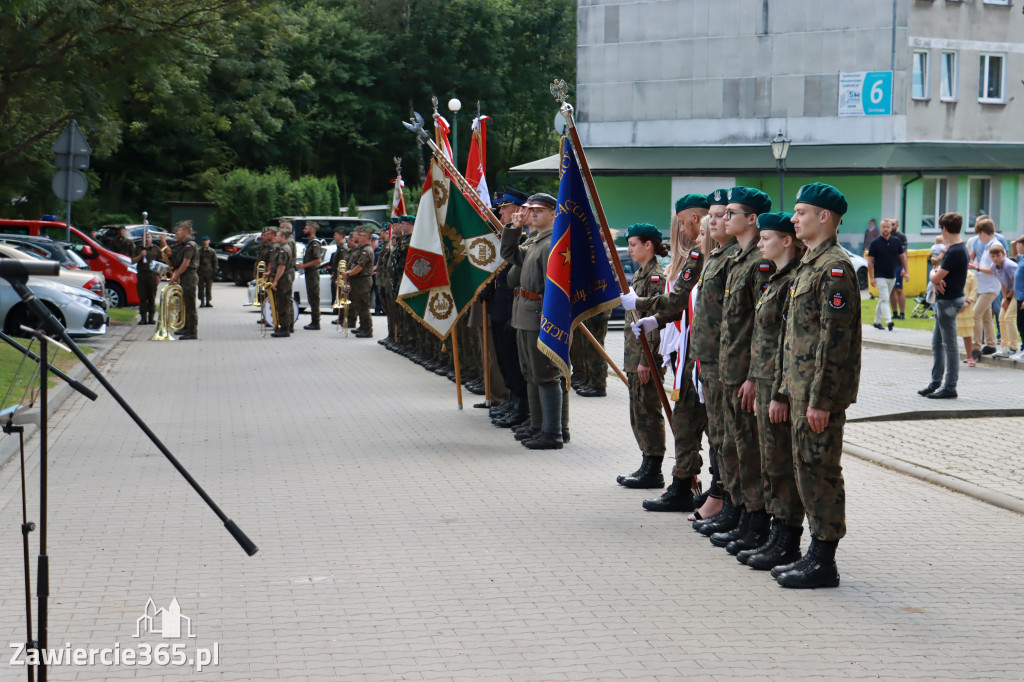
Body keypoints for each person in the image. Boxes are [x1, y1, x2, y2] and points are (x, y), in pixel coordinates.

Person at [770, 183, 860, 589]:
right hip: (800, 390)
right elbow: (794, 338)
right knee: (804, 470)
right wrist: (785, 390)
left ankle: (824, 561)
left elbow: (834, 341)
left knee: (820, 471)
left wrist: (820, 400)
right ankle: (813, 554)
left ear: (825, 216)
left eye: (802, 212)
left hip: (818, 395)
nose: (793, 218)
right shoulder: (810, 264)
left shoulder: (834, 268)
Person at [622, 193, 710, 511]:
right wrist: (652, 319)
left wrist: (644, 309)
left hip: (710, 359)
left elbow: (677, 302)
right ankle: (682, 486)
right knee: (685, 424)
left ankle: (723, 498)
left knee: (716, 433)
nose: (684, 232)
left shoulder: (710, 259)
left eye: (685, 224)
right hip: (691, 356)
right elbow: (679, 306)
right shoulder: (698, 258)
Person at [707, 186, 775, 555]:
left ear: (752, 218)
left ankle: (754, 520)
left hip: (747, 374)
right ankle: (738, 511)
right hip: (728, 369)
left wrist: (750, 375)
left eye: (730, 212)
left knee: (749, 451)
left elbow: (761, 327)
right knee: (732, 446)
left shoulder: (757, 263)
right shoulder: (736, 258)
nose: (722, 217)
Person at [740, 211, 805, 571]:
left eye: (766, 238)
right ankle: (775, 536)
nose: (760, 243)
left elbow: (788, 344)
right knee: (770, 463)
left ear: (786, 241)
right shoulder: (775, 280)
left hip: (778, 386)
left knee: (780, 464)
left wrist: (780, 392)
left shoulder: (791, 280)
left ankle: (787, 540)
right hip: (764, 382)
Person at [499, 192, 566, 450]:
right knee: (531, 372)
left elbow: (555, 288)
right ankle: (538, 426)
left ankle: (552, 433)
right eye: (530, 209)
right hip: (525, 314)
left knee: (546, 374)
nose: (533, 214)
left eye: (539, 210)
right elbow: (510, 254)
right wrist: (513, 229)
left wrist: (549, 317)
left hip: (539, 315)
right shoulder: (537, 241)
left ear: (553, 213)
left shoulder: (552, 244)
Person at [615, 223, 668, 488]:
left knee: (648, 410)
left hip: (645, 357)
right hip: (635, 356)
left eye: (634, 244)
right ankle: (646, 461)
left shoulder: (655, 276)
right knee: (638, 411)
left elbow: (656, 319)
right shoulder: (640, 274)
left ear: (649, 245)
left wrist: (647, 360)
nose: (631, 249)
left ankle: (653, 467)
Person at [920, 213, 969, 400]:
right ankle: (935, 383)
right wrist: (938, 276)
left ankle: (950, 386)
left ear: (944, 229)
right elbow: (942, 274)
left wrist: (934, 275)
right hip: (948, 299)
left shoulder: (955, 251)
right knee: (937, 343)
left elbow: (936, 276)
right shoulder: (956, 248)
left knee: (949, 346)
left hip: (948, 302)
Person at [968, 217, 1001, 357]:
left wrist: (977, 267)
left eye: (979, 234)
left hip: (990, 287)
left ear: (982, 233)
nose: (978, 238)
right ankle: (991, 344)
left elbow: (996, 268)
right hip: (983, 286)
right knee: (986, 317)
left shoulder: (995, 245)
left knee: (975, 315)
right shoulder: (988, 245)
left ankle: (975, 347)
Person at [867, 218, 907, 331]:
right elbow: (870, 260)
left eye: (888, 227)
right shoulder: (875, 243)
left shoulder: (896, 241)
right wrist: (871, 277)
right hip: (880, 276)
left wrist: (906, 271)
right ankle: (889, 321)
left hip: (892, 276)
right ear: (880, 228)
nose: (885, 229)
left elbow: (903, 257)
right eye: (883, 227)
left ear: (891, 228)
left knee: (883, 299)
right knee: (885, 298)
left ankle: (877, 321)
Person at [164, 220, 199, 340]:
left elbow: (186, 263)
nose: (176, 233)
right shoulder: (183, 245)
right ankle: (185, 327)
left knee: (190, 305)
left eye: (178, 231)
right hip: (184, 276)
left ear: (185, 231)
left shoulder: (190, 245)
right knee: (183, 304)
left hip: (189, 277)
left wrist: (175, 276)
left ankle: (192, 331)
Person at [342, 226, 376, 338]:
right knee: (359, 305)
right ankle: (363, 327)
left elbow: (360, 267)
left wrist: (348, 274)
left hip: (363, 281)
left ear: (366, 237)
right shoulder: (362, 249)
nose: (358, 237)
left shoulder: (367, 250)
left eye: (360, 235)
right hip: (358, 281)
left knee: (363, 306)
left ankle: (367, 329)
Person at [989, 242, 1019, 358]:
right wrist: (1004, 299)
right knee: (1001, 317)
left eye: (998, 256)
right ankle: (1005, 347)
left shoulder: (1008, 265)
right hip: (1010, 293)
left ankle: (1013, 347)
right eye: (993, 256)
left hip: (1019, 292)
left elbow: (1016, 284)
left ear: (1004, 255)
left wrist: (1007, 299)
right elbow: (1003, 284)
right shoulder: (993, 267)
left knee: (1009, 317)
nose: (996, 258)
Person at [269, 224, 295, 337]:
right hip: (285, 278)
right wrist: (269, 273)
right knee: (285, 302)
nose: (276, 237)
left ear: (283, 237)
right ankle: (287, 326)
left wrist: (275, 281)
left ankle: (284, 329)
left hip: (283, 280)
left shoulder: (284, 249)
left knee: (283, 303)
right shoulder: (283, 248)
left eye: (278, 235)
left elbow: (282, 267)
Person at [132, 231, 162, 325]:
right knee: (142, 298)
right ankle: (143, 318)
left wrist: (159, 276)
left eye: (148, 237)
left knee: (152, 297)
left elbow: (160, 263)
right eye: (145, 238)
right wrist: (141, 255)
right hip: (142, 275)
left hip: (152, 275)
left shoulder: (156, 249)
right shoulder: (138, 249)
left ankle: (151, 318)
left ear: (151, 238)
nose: (147, 239)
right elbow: (133, 261)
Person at [297, 221, 323, 330]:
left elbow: (318, 260)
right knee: (311, 297)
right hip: (309, 273)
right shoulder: (310, 243)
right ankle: (314, 321)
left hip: (313, 273)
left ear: (312, 230)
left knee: (314, 298)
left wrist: (304, 266)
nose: (304, 230)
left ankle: (316, 322)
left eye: (306, 228)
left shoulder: (315, 243)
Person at [888, 218, 908, 319]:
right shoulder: (887, 236)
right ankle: (895, 313)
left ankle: (902, 314)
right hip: (890, 265)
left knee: (899, 289)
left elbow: (904, 253)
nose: (891, 226)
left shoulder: (901, 236)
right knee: (892, 290)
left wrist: (905, 268)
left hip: (899, 265)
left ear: (897, 225)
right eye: (890, 224)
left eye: (893, 224)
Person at [958, 267, 978, 367]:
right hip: (953, 305)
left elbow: (974, 290)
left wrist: (968, 302)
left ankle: (969, 356)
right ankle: (949, 356)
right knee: (949, 334)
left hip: (966, 307)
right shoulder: (950, 272)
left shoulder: (971, 275)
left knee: (967, 334)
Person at [197, 236, 217, 307]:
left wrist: (215, 271)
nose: (205, 242)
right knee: (201, 287)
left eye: (207, 240)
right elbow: (196, 261)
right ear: (202, 241)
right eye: (204, 240)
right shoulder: (199, 251)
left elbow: (215, 261)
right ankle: (202, 301)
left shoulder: (212, 251)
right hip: (201, 271)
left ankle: (208, 301)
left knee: (208, 287)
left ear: (209, 241)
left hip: (209, 271)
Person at [1014, 238, 1024, 361]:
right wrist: (1014, 244)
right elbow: (1015, 255)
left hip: (1023, 297)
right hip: (1019, 296)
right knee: (1020, 324)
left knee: (1022, 324)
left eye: (1019, 245)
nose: (1017, 246)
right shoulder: (1021, 258)